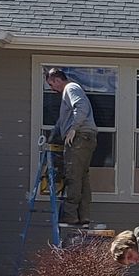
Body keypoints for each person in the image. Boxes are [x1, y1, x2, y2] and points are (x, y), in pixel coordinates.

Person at [43, 67, 98, 226]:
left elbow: (81, 107)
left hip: (80, 137)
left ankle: (70, 216)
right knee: (82, 176)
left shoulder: (71, 88)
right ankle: (83, 216)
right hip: (86, 138)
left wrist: (74, 128)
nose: (52, 89)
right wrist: (51, 140)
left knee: (73, 175)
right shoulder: (68, 94)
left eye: (51, 85)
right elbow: (60, 124)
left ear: (57, 80)